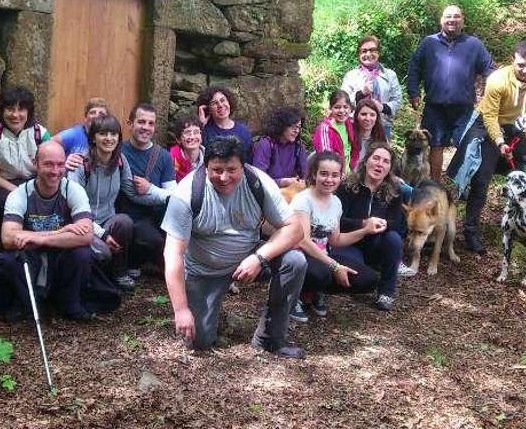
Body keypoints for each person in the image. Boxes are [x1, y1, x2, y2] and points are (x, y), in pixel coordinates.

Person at [162, 136, 307, 358]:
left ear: (243, 166)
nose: (223, 177)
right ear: (205, 165)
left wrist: (259, 258)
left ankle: (271, 338)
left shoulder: (258, 182)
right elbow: (173, 255)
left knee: (295, 261)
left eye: (232, 169)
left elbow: (295, 229)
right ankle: (206, 314)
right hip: (204, 270)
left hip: (248, 258)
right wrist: (181, 310)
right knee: (198, 342)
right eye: (216, 170)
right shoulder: (187, 193)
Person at [448, 40, 526, 253]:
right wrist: (499, 143)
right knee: (481, 177)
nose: (525, 70)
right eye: (521, 65)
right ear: (513, 61)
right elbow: (490, 116)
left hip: (514, 129)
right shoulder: (498, 79)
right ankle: (471, 230)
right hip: (487, 126)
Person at [1, 141, 117, 321]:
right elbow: (8, 238)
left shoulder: (73, 190)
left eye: (60, 164)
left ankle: (70, 303)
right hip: (30, 254)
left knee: (82, 253)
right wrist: (59, 232)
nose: (55, 171)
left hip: (62, 254)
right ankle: (28, 305)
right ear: (35, 163)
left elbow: (85, 235)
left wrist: (39, 239)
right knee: (9, 258)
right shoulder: (19, 194)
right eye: (48, 164)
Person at [288, 151, 390, 323]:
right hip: (298, 255)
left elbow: (335, 240)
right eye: (324, 174)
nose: (329, 180)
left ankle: (315, 291)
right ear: (314, 174)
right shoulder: (302, 200)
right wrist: (335, 266)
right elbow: (302, 241)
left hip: (323, 255)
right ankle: (292, 296)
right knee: (323, 273)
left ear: (341, 177)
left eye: (335, 175)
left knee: (368, 278)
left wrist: (365, 230)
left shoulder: (335, 202)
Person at [67, 115, 163, 292]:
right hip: (83, 224)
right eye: (103, 133)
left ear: (119, 137)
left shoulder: (120, 161)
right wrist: (102, 234)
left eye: (113, 134)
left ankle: (119, 273)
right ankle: (94, 281)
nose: (109, 138)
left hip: (108, 220)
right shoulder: (81, 164)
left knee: (124, 221)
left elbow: (133, 193)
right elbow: (76, 211)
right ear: (93, 137)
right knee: (103, 252)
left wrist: (166, 197)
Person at [407, 5, 496, 180]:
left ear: (463, 20)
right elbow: (415, 67)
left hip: (464, 108)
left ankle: (460, 185)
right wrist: (413, 92)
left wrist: (494, 95)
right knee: (436, 145)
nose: (452, 20)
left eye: (456, 17)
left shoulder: (474, 45)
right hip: (435, 106)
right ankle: (434, 185)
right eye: (448, 16)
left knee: (467, 147)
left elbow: (490, 69)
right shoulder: (428, 43)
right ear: (441, 20)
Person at [333, 143, 405, 307]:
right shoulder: (347, 186)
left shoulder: (394, 190)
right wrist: (364, 223)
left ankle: (386, 292)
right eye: (376, 158)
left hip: (376, 243)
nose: (380, 164)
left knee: (393, 239)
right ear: (366, 161)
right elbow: (336, 221)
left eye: (386, 161)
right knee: (358, 279)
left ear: (390, 168)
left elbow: (397, 224)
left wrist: (383, 224)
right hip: (348, 242)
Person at [0, 86, 52, 232]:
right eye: (10, 109)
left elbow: (47, 169)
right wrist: (18, 192)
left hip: (31, 181)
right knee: (4, 202)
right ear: (2, 110)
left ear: (28, 112)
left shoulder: (40, 134)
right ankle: (1, 239)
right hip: (0, 183)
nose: (15, 115)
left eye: (21, 109)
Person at [118, 104, 177, 277]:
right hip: (130, 217)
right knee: (153, 240)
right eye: (141, 122)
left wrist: (150, 189)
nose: (146, 127)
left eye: (151, 123)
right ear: (130, 123)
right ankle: (135, 262)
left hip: (157, 217)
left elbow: (172, 195)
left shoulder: (163, 156)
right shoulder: (118, 151)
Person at [341, 35, 403, 138]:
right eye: (364, 51)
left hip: (382, 125)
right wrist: (361, 94)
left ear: (378, 53)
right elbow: (343, 101)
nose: (368, 54)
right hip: (355, 124)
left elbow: (397, 100)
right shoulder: (351, 76)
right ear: (359, 54)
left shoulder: (390, 75)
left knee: (379, 153)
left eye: (372, 50)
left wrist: (383, 107)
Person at [251, 106, 308, 187]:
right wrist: (281, 182)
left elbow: (305, 174)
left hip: (291, 191)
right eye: (293, 126)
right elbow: (258, 179)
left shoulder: (298, 146)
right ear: (282, 126)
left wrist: (302, 182)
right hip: (268, 191)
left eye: (298, 127)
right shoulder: (266, 144)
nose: (296, 131)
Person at [197, 86, 253, 157]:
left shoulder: (244, 131)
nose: (220, 105)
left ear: (229, 102)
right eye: (214, 103)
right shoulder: (205, 131)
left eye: (223, 100)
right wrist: (200, 125)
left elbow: (248, 161)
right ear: (208, 109)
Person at [312, 89, 358, 175]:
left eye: (345, 107)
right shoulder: (325, 128)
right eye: (337, 107)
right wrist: (339, 174)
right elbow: (326, 156)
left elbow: (351, 149)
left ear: (350, 108)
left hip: (347, 173)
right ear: (330, 108)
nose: (342, 111)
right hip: (332, 175)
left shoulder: (349, 124)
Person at [351, 96, 389, 170]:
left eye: (372, 115)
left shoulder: (381, 139)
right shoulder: (348, 136)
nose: (368, 119)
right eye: (364, 114)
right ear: (356, 116)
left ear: (377, 117)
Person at [169, 115, 204, 182]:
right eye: (187, 133)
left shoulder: (209, 158)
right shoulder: (171, 159)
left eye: (196, 132)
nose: (192, 136)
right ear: (178, 139)